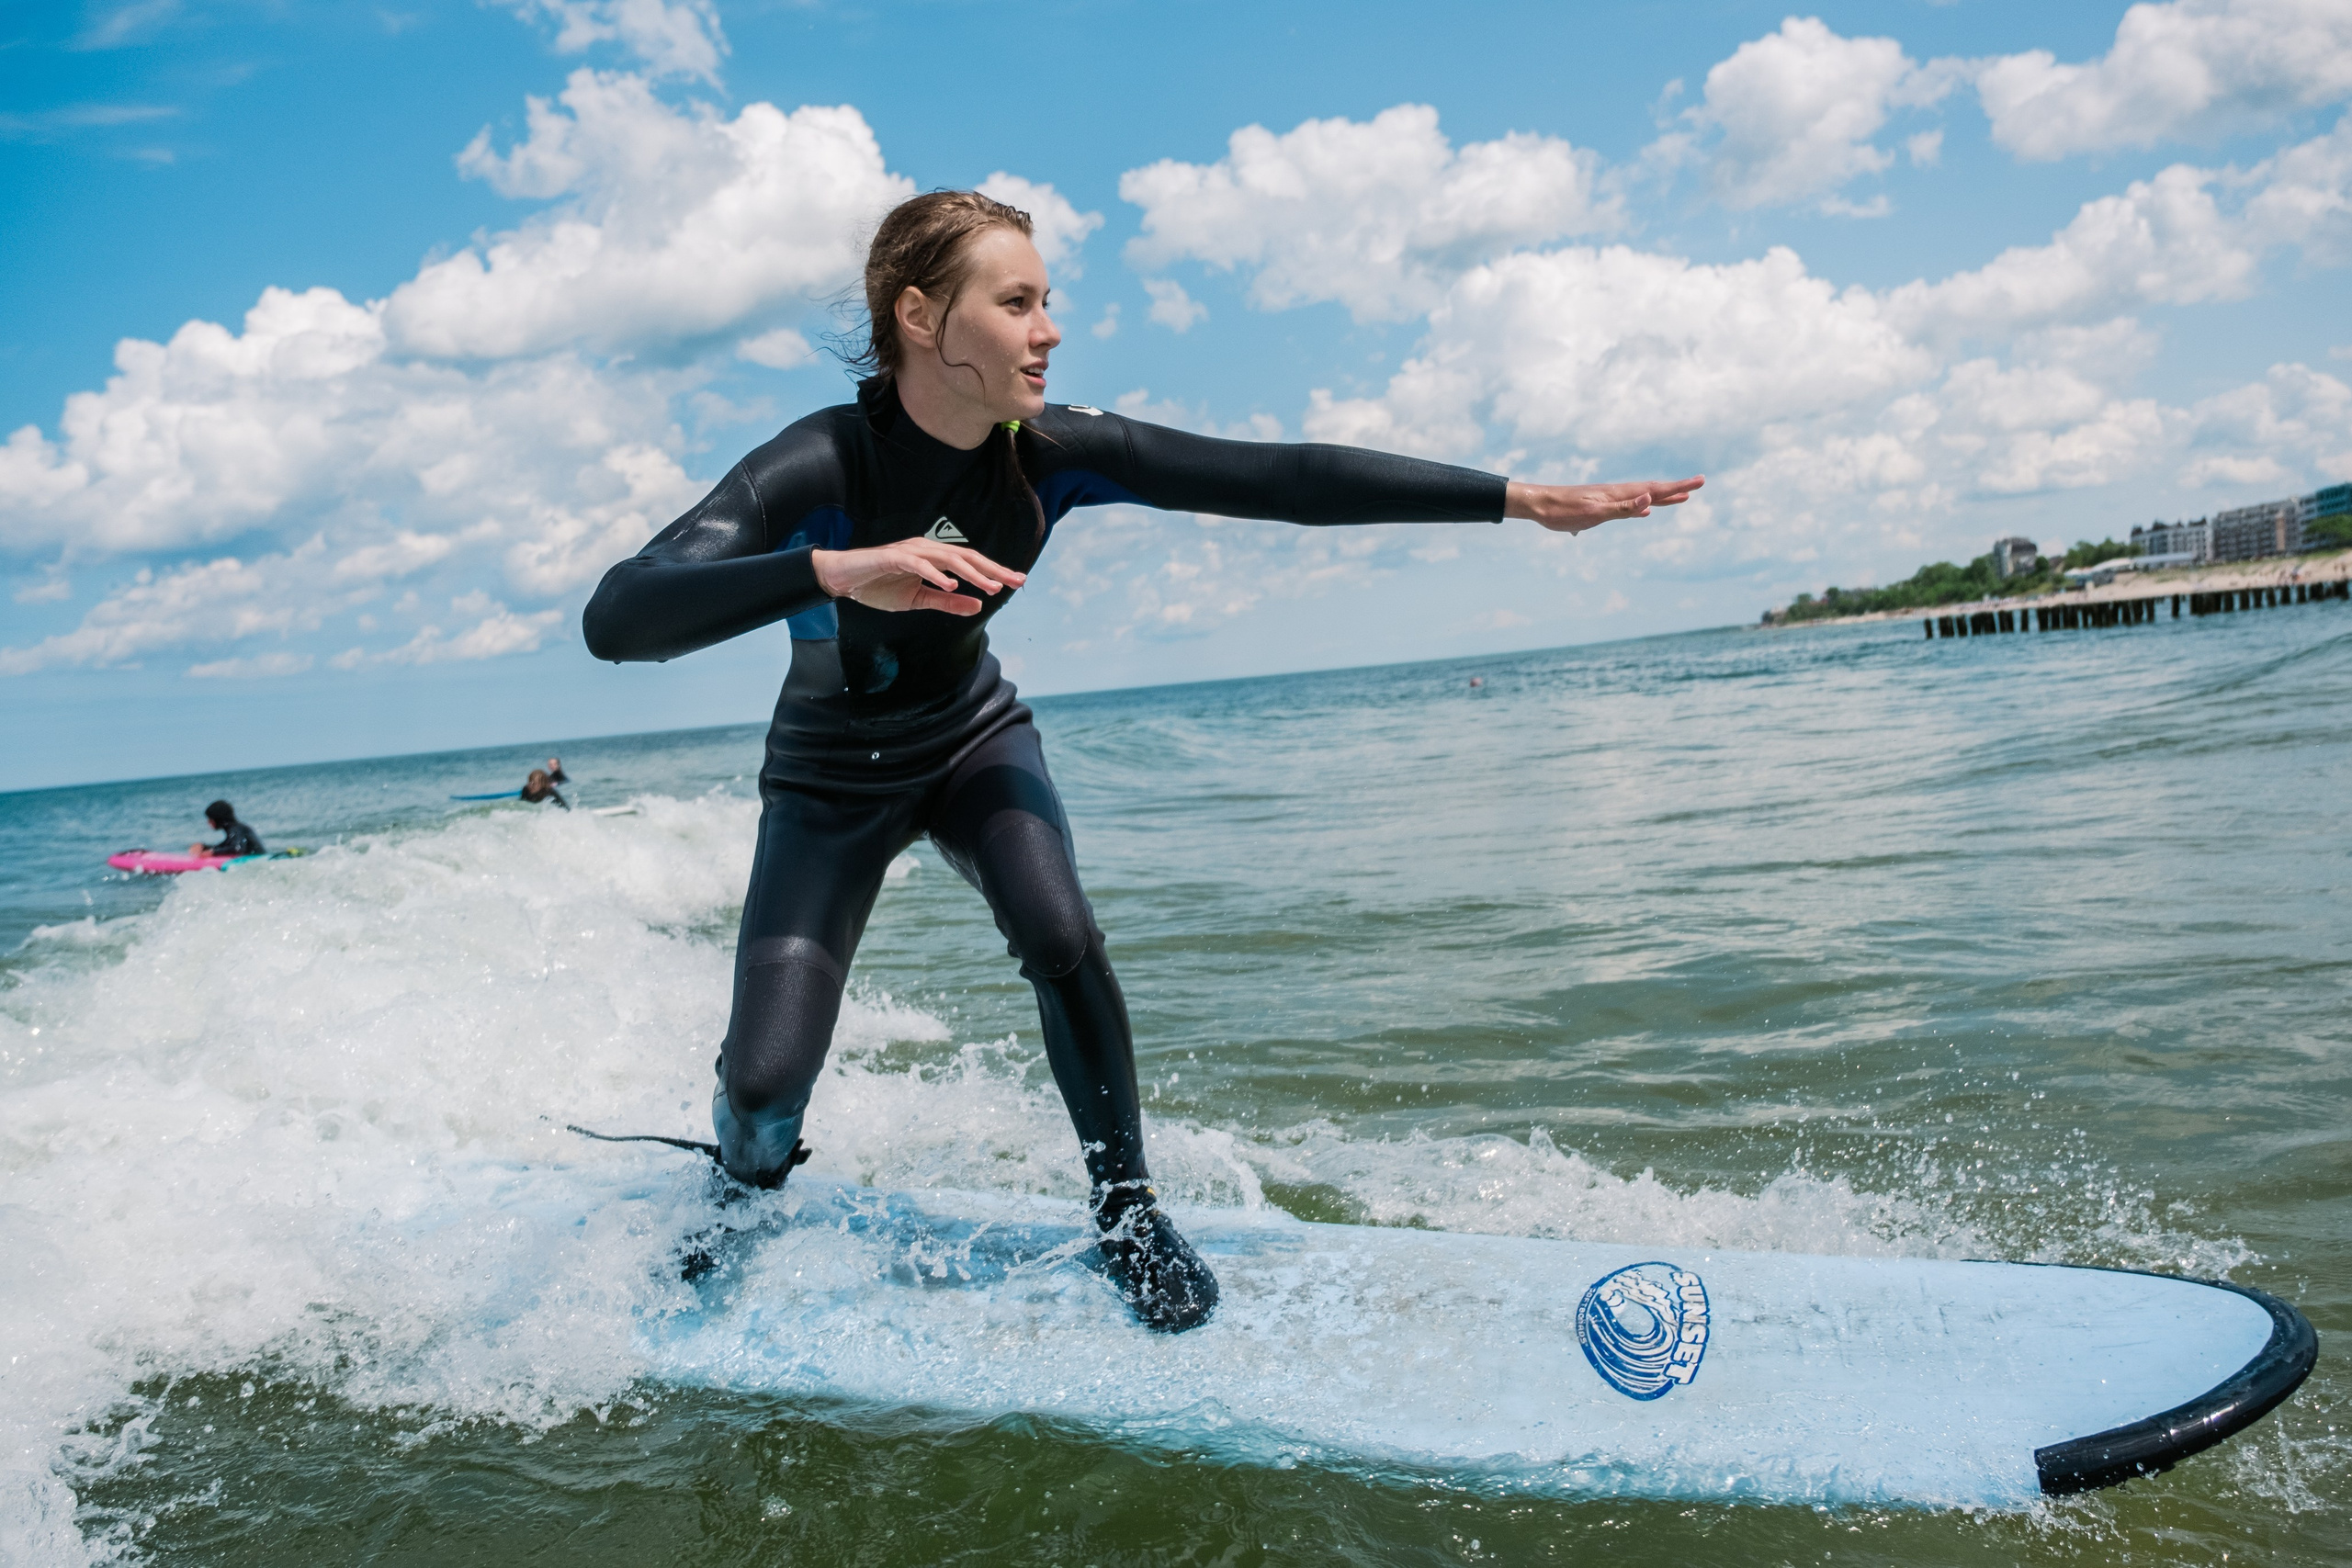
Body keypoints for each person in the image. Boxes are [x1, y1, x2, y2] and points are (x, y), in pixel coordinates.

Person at [582, 190, 1700, 1332]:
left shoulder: (1052, 452)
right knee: (765, 1090)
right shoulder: (817, 465)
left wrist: (1517, 501)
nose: (1047, 330)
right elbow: (620, 615)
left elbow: (1277, 480)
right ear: (922, 318)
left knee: (1061, 936)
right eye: (1016, 303)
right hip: (828, 778)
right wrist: (833, 569)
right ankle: (739, 1188)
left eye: (1046, 302)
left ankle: (1126, 1207)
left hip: (967, 741)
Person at [189, 800, 264, 859]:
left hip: (257, 862)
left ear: (218, 818)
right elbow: (226, 846)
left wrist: (213, 852)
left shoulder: (236, 829)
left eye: (210, 818)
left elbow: (237, 849)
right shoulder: (237, 828)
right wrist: (204, 847)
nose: (208, 822)